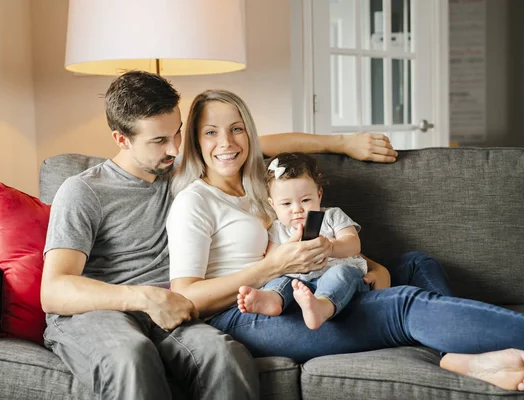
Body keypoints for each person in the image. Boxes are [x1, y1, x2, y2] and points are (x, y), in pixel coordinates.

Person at [40, 71, 399, 400]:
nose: (174, 148)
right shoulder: (84, 191)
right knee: (130, 356)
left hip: (171, 312)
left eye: (178, 132)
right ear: (121, 139)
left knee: (226, 355)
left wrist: (342, 143)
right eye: (159, 140)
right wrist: (144, 298)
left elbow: (256, 144)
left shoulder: (177, 172)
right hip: (98, 313)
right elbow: (54, 290)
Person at [166, 89, 524, 392]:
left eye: (237, 129)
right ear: (195, 141)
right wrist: (270, 267)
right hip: (250, 313)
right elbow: (186, 297)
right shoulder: (195, 200)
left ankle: (456, 355)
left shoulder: (261, 178)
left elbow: (283, 149)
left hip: (314, 282)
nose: (226, 143)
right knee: (402, 305)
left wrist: (343, 144)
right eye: (210, 132)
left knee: (416, 263)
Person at [237, 152, 370, 330]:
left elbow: (353, 243)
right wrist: (287, 253)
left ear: (319, 195)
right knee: (281, 281)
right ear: (272, 204)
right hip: (299, 285)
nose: (297, 210)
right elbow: (271, 262)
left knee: (340, 273)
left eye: (305, 200)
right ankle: (272, 299)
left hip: (337, 277)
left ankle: (322, 305)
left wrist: (330, 247)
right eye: (286, 204)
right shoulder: (278, 229)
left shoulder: (331, 216)